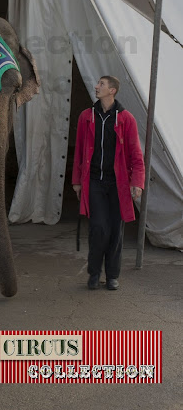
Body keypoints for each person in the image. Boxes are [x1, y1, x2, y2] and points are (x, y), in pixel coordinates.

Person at [72, 75, 145, 291]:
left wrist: (137, 182)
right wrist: (77, 181)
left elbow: (136, 154)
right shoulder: (86, 116)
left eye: (101, 84)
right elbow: (78, 151)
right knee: (98, 228)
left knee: (115, 230)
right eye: (98, 84)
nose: (96, 86)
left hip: (118, 184)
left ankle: (112, 275)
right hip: (94, 181)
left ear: (112, 90)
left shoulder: (126, 119)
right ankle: (94, 273)